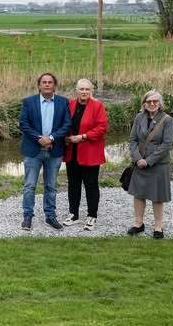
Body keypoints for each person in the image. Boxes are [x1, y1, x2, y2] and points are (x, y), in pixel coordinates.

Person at [19, 72, 71, 231]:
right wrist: (39, 138)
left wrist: (52, 138)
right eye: (44, 82)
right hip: (33, 150)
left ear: (54, 86)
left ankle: (50, 216)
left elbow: (67, 124)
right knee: (29, 185)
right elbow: (23, 124)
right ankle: (28, 216)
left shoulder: (63, 102)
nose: (47, 84)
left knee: (51, 186)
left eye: (50, 82)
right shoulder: (29, 102)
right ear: (39, 85)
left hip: (54, 151)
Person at [61, 79, 108, 231]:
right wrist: (65, 137)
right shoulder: (70, 104)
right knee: (73, 185)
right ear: (76, 90)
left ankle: (92, 216)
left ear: (91, 91)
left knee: (91, 185)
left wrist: (83, 137)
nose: (84, 92)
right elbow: (64, 124)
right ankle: (73, 214)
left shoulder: (97, 106)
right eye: (81, 89)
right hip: (72, 153)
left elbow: (102, 128)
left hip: (90, 153)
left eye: (87, 89)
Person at [127, 89, 173, 239]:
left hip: (158, 164)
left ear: (160, 103)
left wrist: (148, 161)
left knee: (157, 196)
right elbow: (133, 140)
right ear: (144, 103)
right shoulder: (139, 117)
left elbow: (167, 144)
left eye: (155, 101)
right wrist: (137, 158)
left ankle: (158, 226)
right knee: (138, 194)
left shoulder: (167, 119)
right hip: (139, 162)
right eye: (149, 101)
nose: (152, 103)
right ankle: (138, 224)